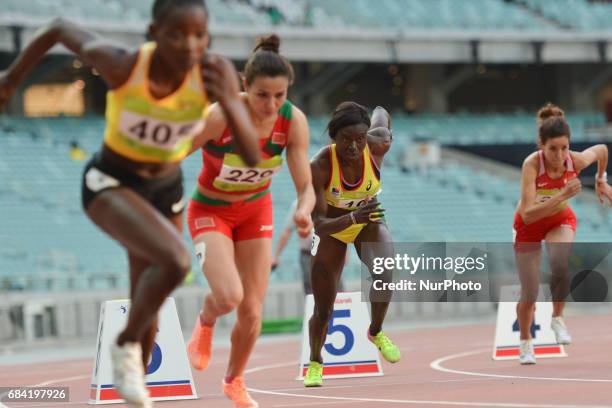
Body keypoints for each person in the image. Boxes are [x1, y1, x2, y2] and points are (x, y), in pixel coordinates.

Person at [0, 1, 261, 406]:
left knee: (151, 315)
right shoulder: (123, 65)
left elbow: (251, 152)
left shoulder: (215, 75)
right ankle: (122, 343)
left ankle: (133, 373)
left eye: (200, 35)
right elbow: (57, 27)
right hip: (111, 184)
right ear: (154, 33)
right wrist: (10, 79)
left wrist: (229, 98)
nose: (190, 45)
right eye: (177, 34)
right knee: (176, 262)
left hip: (165, 193)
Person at [185, 34, 315, 408]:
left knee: (253, 311)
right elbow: (177, 151)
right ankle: (206, 319)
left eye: (280, 95)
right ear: (244, 86)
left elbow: (306, 186)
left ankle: (234, 380)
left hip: (255, 212)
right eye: (262, 96)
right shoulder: (220, 115)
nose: (271, 105)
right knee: (228, 296)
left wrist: (304, 210)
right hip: (210, 210)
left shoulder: (293, 122)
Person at [304, 102, 400, 388]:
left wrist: (381, 127)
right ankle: (315, 362)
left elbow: (383, 110)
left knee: (386, 269)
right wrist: (352, 216)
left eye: (360, 139)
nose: (354, 146)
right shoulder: (320, 166)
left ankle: (376, 331)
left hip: (366, 222)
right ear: (334, 137)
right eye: (346, 139)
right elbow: (319, 224)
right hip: (332, 231)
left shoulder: (378, 144)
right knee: (324, 308)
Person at [513, 103, 612, 365]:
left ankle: (557, 318)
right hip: (529, 226)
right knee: (530, 293)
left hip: (559, 219)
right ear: (540, 146)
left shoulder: (575, 160)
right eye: (552, 149)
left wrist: (602, 180)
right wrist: (562, 194)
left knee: (559, 263)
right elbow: (528, 214)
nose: (559, 155)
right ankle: (525, 342)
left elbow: (602, 150)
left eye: (565, 148)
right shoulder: (531, 165)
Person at [272, 198, 346, 294]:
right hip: (308, 254)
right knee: (311, 289)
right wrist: (276, 255)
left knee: (337, 286)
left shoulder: (330, 200)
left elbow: (339, 228)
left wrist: (345, 251)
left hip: (329, 252)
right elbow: (287, 231)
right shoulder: (299, 205)